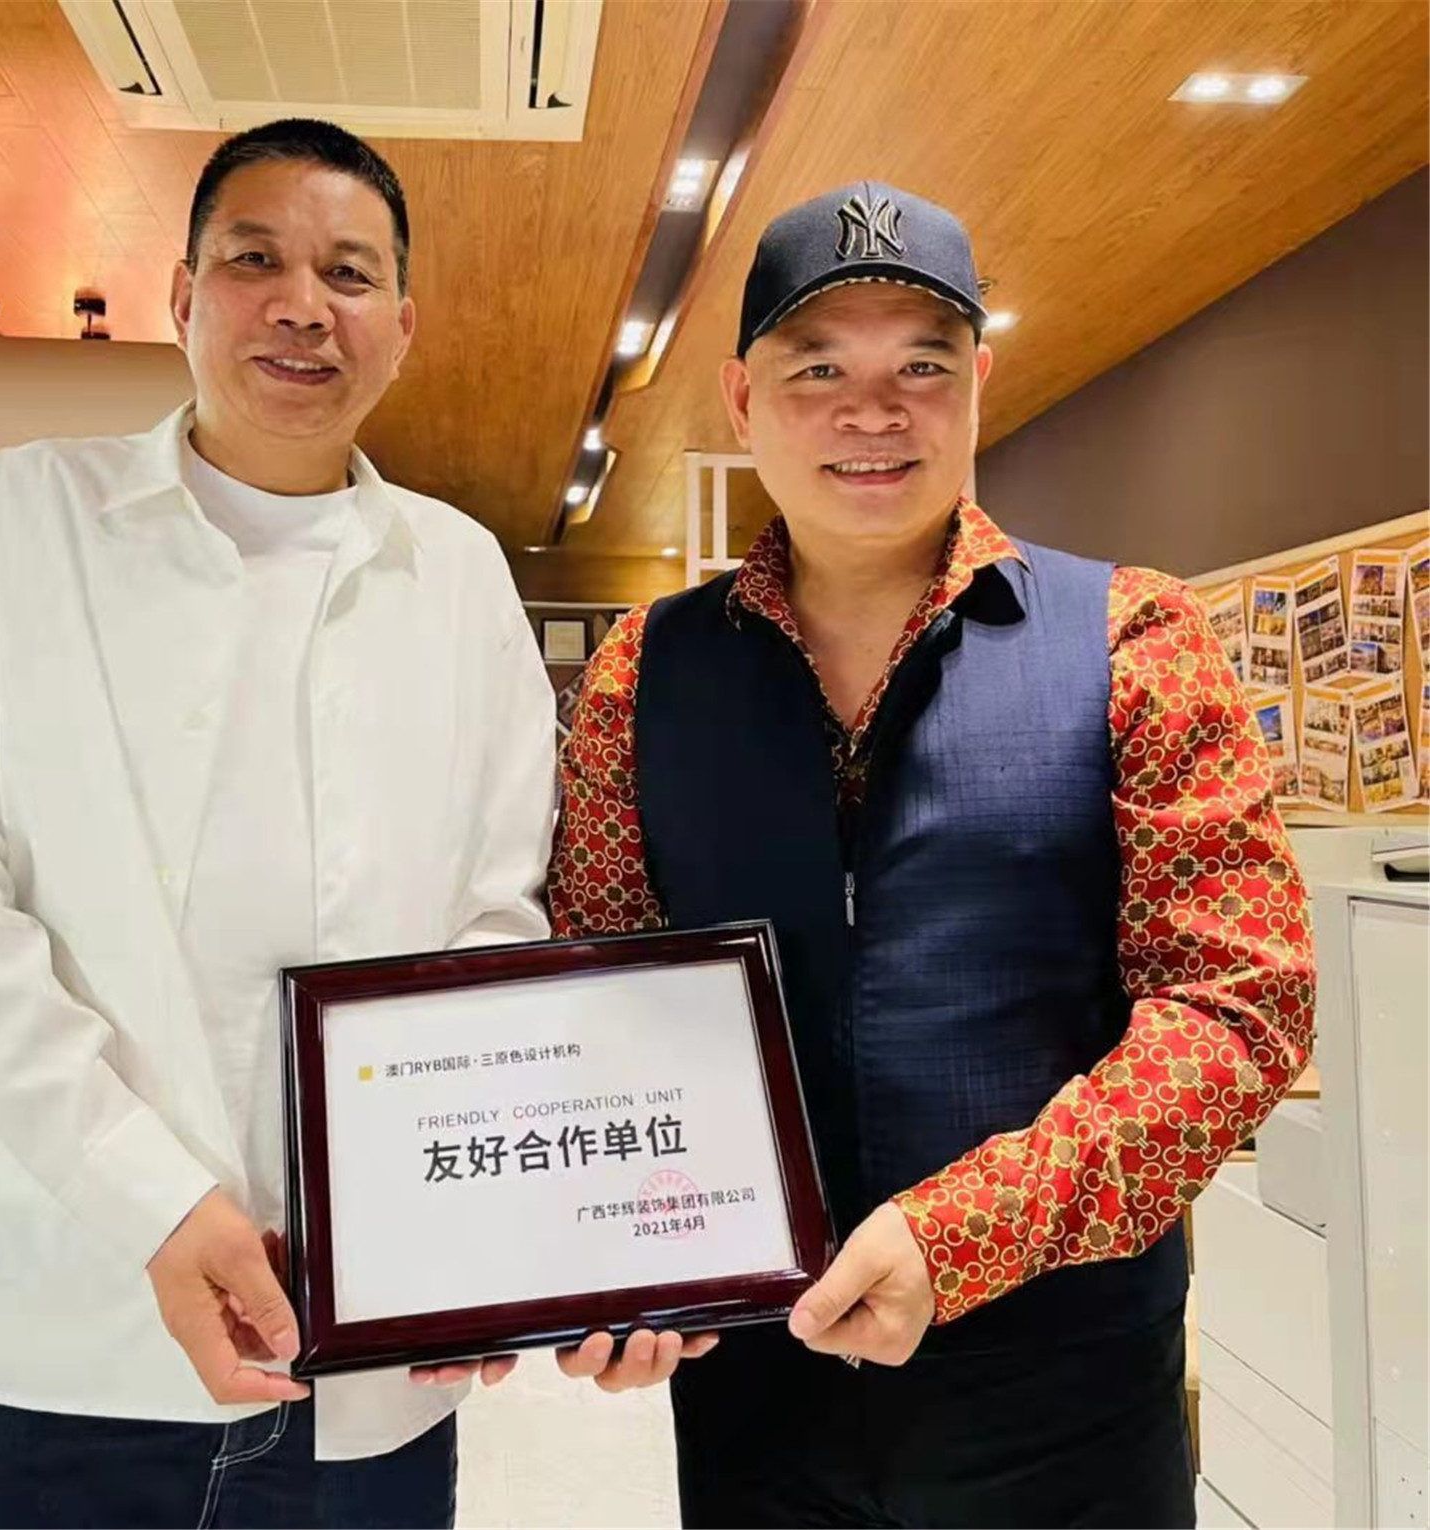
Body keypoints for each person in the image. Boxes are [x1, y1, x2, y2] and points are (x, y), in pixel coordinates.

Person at [548, 180, 1315, 1526]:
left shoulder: (1134, 638)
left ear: (978, 383)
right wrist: (611, 1257)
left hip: (1064, 1391)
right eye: (818, 369)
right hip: (757, 1395)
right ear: (741, 396)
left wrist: (960, 1233)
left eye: (922, 365)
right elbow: (596, 987)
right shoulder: (642, 674)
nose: (874, 412)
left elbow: (1238, 1005)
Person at [0, 118, 556, 1529]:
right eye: (254, 261)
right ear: (181, 296)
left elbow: (494, 923)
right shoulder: (15, 524)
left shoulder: (459, 574)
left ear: (403, 325)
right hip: (37, 1352)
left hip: (357, 1363)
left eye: (349, 273)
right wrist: (154, 1199)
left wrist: (464, 1246)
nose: (304, 305)